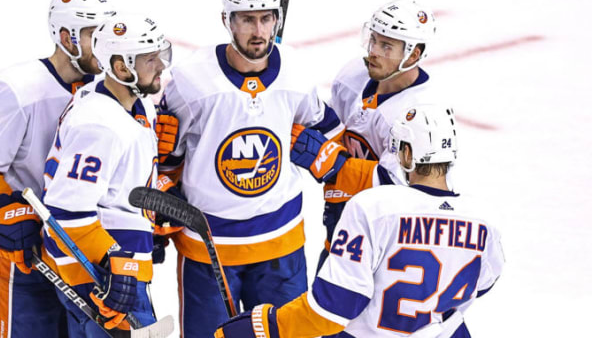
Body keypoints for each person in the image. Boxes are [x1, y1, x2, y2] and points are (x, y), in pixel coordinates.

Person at [216, 104, 505, 338]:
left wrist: (265, 326)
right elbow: (482, 283)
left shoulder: (374, 207)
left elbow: (333, 309)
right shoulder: (484, 220)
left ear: (407, 154)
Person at [157, 0, 340, 337]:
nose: (258, 31)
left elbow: (328, 129)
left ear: (277, 20)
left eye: (265, 18)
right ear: (227, 20)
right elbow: (164, 157)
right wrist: (160, 197)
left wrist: (324, 157)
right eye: (246, 19)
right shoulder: (190, 80)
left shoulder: (296, 72)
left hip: (281, 241)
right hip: (208, 247)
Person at [0, 0, 115, 338]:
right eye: (93, 35)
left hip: (87, 253)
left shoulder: (113, 91)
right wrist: (5, 210)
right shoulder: (17, 88)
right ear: (64, 37)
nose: (104, 46)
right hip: (27, 253)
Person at [40, 13, 172, 336]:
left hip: (120, 261)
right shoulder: (98, 123)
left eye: (160, 56)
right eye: (150, 59)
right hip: (102, 278)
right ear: (122, 67)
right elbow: (64, 211)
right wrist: (116, 260)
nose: (161, 67)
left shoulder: (132, 103)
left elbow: (118, 184)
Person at [290, 0, 443, 271]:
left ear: (413, 54)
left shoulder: (421, 113)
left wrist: (332, 164)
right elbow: (334, 127)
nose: (373, 52)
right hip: (342, 220)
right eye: (373, 40)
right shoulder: (354, 76)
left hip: (390, 240)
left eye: (387, 47)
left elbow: (398, 186)